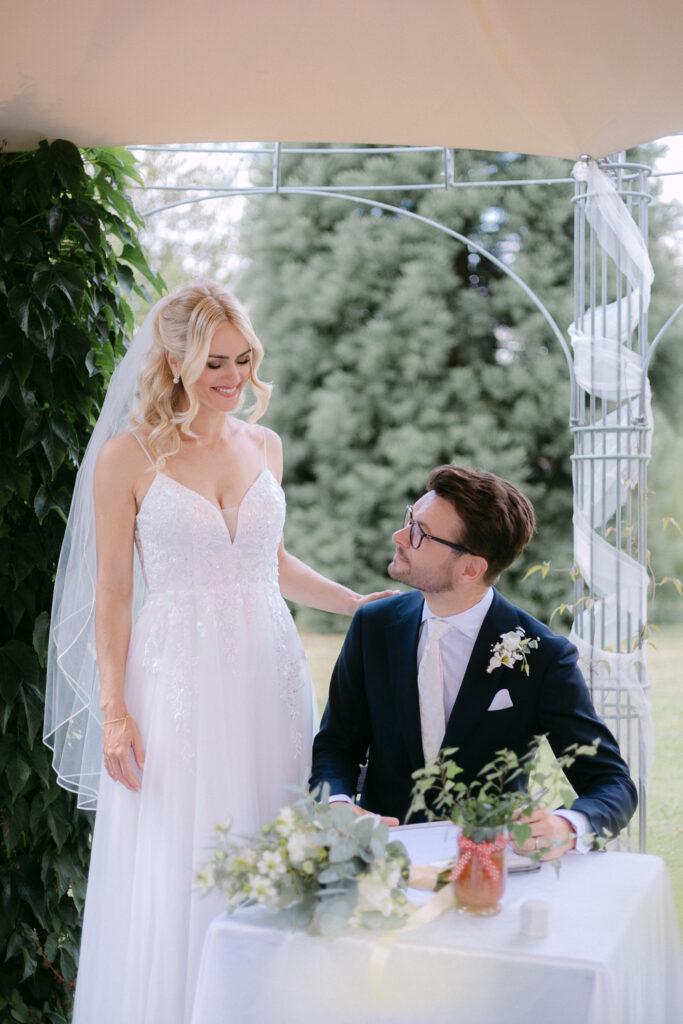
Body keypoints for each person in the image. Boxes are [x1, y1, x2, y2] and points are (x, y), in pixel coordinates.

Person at [44, 283, 395, 1024]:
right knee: (187, 854)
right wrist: (113, 712)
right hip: (177, 678)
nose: (234, 378)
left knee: (277, 829)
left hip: (268, 671)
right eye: (214, 364)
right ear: (173, 361)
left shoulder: (262, 443)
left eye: (243, 360)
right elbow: (111, 595)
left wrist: (358, 603)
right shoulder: (126, 457)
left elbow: (267, 560)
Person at [310, 463, 637, 856]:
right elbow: (336, 746)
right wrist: (339, 805)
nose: (399, 536)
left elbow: (612, 783)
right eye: (409, 519)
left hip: (492, 868)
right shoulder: (373, 626)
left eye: (420, 533)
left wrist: (565, 826)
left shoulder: (543, 654)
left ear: (471, 568)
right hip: (382, 859)